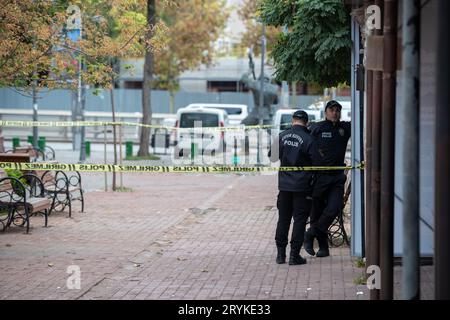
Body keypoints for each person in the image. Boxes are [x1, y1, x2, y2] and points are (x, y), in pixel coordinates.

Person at [304, 100, 351, 258]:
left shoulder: (345, 128)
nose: (335, 112)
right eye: (332, 110)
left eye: (338, 110)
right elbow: (304, 145)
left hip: (337, 177)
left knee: (335, 207)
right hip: (318, 176)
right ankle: (323, 248)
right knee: (316, 213)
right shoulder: (316, 127)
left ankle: (310, 234)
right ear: (326, 112)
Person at [269, 110, 314, 265]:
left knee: (283, 220)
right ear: (306, 122)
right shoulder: (309, 138)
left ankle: (280, 255)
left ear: (292, 120)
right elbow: (317, 162)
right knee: (299, 221)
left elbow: (272, 156)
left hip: (284, 186)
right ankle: (294, 256)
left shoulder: (282, 136)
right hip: (302, 187)